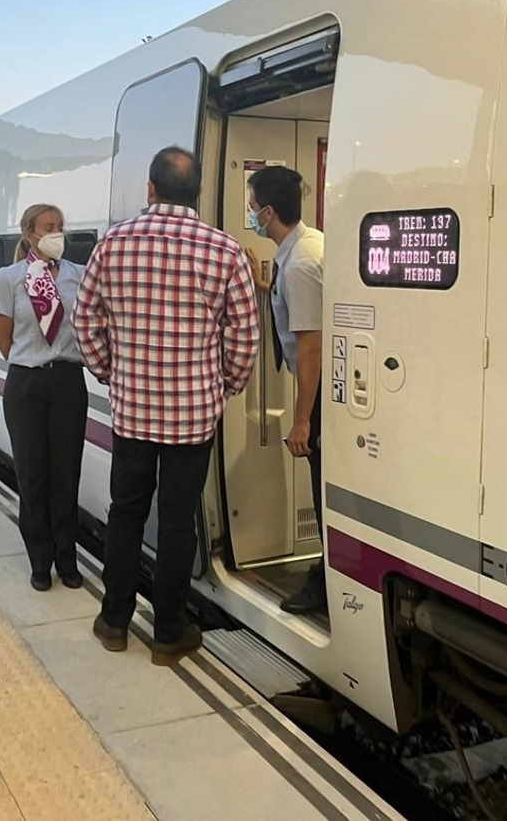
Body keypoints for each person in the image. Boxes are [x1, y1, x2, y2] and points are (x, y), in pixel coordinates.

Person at [77, 146, 259, 666]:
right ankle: (168, 632)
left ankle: (114, 621)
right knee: (178, 523)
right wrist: (221, 385)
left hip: (133, 413)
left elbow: (85, 322)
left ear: (150, 189)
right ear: (196, 192)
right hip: (194, 417)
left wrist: (113, 372)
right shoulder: (225, 251)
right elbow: (244, 338)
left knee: (126, 512)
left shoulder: (113, 243)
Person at [0, 204, 87, 592]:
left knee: (66, 474)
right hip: (26, 384)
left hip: (67, 380)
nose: (57, 234)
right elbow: (3, 338)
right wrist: (31, 361)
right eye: (49, 227)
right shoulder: (9, 278)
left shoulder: (78, 276)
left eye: (61, 227)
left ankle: (68, 559)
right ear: (29, 233)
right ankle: (39, 562)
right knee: (32, 475)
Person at [244, 166, 327, 614]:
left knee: (321, 491)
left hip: (318, 401)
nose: (252, 214)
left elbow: (311, 348)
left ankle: (326, 584)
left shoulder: (301, 263)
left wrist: (301, 421)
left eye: (253, 207)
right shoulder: (299, 252)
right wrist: (262, 284)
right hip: (314, 392)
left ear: (270, 211)